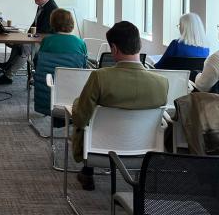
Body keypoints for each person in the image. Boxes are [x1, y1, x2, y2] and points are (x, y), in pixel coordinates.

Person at [70, 21, 168, 190]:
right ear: (139, 45)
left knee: (87, 113)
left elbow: (80, 118)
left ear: (114, 49)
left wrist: (76, 103)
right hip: (145, 152)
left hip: (100, 149)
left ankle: (87, 171)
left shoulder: (100, 77)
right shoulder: (162, 83)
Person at [0, 0, 58, 85]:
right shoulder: (42, 5)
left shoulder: (51, 8)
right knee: (19, 42)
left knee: (25, 47)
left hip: (46, 42)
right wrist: (25, 35)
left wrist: (28, 37)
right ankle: (8, 65)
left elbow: (44, 30)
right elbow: (35, 24)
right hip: (38, 38)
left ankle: (8, 76)